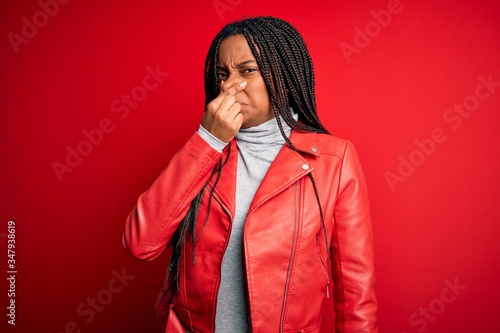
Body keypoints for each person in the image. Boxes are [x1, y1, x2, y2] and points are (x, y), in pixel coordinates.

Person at [123, 16, 378, 333]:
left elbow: (356, 291)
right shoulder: (203, 153)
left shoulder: (333, 160)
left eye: (247, 70)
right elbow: (140, 244)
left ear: (282, 76)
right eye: (222, 74)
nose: (230, 85)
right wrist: (208, 140)